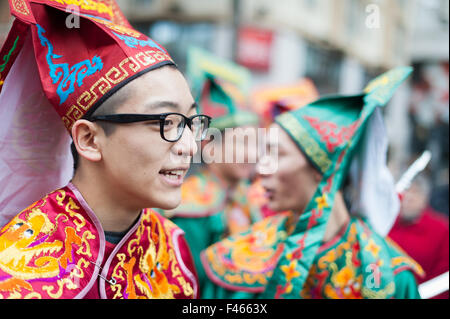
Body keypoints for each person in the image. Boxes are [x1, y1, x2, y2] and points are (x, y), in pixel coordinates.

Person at [0, 0, 211, 299]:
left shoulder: (173, 250)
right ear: (88, 139)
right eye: (166, 121)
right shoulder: (17, 274)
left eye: (191, 121)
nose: (190, 147)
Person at [200, 67, 424, 299]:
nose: (260, 168)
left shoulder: (388, 277)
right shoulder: (236, 260)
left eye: (277, 154)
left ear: (323, 167)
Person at [162, 47, 262, 296]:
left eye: (256, 144)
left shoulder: (248, 200)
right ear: (210, 147)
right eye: (241, 143)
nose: (252, 155)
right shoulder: (190, 207)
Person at [389, 175, 449, 299]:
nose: (408, 197)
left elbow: (442, 277)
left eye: (415, 192)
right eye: (406, 191)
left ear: (425, 198)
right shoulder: (386, 223)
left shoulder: (441, 229)